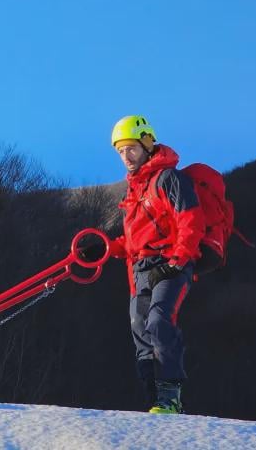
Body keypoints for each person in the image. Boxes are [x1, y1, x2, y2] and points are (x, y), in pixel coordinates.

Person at [87, 115, 204, 414]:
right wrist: (107, 248)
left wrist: (176, 262)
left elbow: (191, 221)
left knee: (159, 321)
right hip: (140, 270)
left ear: (147, 144)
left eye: (132, 149)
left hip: (170, 265)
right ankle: (153, 401)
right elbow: (134, 242)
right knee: (140, 330)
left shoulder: (169, 179)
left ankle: (170, 399)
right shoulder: (134, 190)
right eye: (121, 151)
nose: (126, 156)